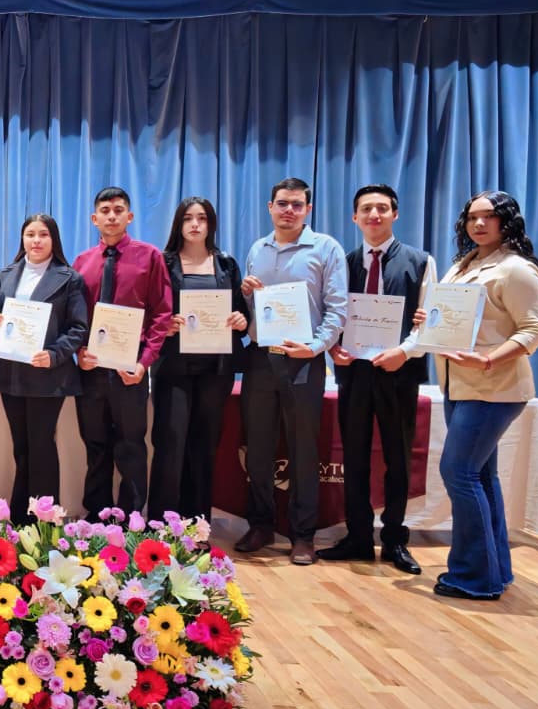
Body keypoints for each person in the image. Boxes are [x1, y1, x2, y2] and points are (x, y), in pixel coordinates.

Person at [429, 191, 538, 600]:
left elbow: (536, 329)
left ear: (507, 221)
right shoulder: (464, 265)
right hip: (460, 384)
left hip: (494, 387)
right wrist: (429, 320)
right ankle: (494, 571)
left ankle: (473, 577)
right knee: (479, 475)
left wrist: (489, 359)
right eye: (472, 217)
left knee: (458, 472)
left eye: (489, 216)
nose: (479, 224)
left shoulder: (515, 269)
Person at [321, 185, 436, 575]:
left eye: (382, 208)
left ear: (395, 214)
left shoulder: (420, 261)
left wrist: (404, 351)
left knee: (397, 459)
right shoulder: (344, 263)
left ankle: (394, 540)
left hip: (399, 373)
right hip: (354, 373)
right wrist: (333, 347)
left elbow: (430, 319)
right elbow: (332, 314)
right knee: (353, 456)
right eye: (366, 209)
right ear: (354, 217)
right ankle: (357, 536)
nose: (374, 215)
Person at [237, 177, 347, 565]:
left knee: (303, 449)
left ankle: (303, 534)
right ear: (270, 207)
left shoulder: (326, 248)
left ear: (308, 209)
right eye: (282, 203)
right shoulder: (257, 249)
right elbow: (252, 314)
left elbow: (337, 309)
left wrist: (315, 348)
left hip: (303, 359)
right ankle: (261, 524)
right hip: (260, 358)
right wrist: (245, 296)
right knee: (258, 448)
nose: (289, 210)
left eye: (297, 204)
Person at [72, 186, 172, 517]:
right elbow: (74, 317)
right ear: (94, 218)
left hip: (131, 368)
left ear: (129, 216)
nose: (112, 216)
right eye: (105, 211)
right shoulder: (82, 262)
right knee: (95, 445)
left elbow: (161, 314)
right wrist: (79, 352)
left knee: (131, 446)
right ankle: (96, 517)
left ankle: (131, 518)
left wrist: (144, 363)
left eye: (118, 210)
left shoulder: (150, 256)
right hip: (91, 369)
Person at [148, 198, 249, 522]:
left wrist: (240, 320)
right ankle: (162, 525)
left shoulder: (226, 264)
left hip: (215, 371)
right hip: (173, 368)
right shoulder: (163, 263)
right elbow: (150, 311)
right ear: (178, 224)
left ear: (211, 224)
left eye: (202, 218)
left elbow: (241, 313)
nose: (195, 224)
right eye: (188, 218)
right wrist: (164, 324)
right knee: (170, 443)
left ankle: (197, 525)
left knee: (204, 447)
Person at [0, 214, 87, 524]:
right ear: (22, 239)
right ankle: (20, 520)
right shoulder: (5, 274)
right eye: (30, 234)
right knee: (21, 448)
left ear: (53, 239)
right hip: (10, 374)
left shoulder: (69, 278)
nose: (36, 240)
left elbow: (78, 328)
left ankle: (45, 523)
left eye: (43, 234)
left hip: (48, 376)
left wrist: (54, 354)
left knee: (42, 447)